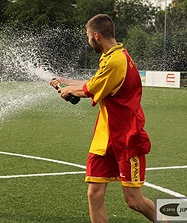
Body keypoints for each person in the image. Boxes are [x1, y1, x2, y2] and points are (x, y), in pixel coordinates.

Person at [50, 14, 155, 222]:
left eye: (89, 36)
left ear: (96, 36)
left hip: (126, 137)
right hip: (104, 138)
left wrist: (68, 91)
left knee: (134, 201)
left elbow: (89, 90)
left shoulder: (116, 60)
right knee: (94, 194)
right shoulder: (110, 56)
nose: (89, 41)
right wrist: (65, 82)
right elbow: (94, 83)